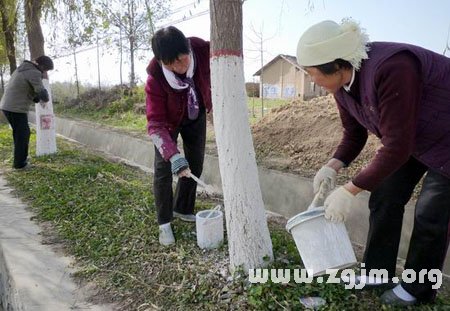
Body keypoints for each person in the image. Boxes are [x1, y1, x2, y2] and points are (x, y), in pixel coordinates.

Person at [296, 19, 450, 306]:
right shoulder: (341, 86)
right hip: (416, 135)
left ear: (336, 65)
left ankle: (417, 289)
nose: (311, 80)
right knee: (385, 196)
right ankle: (377, 274)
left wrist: (350, 189)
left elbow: (397, 146)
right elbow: (354, 135)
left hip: (445, 137)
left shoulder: (393, 67)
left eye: (311, 73)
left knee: (431, 215)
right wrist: (334, 164)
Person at [145, 26, 211, 246]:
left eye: (181, 60)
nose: (178, 68)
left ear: (188, 50)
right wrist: (173, 155)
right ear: (161, 61)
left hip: (196, 114)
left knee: (195, 163)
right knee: (163, 170)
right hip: (167, 123)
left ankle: (183, 208)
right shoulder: (155, 78)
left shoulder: (202, 50)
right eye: (170, 64)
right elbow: (155, 124)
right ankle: (164, 222)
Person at [0, 56, 54, 169]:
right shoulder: (34, 72)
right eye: (46, 70)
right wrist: (46, 98)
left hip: (8, 106)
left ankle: (19, 159)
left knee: (20, 134)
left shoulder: (23, 68)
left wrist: (38, 98)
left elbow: (27, 90)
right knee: (23, 134)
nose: (44, 73)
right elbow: (41, 92)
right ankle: (20, 164)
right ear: (42, 66)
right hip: (15, 108)